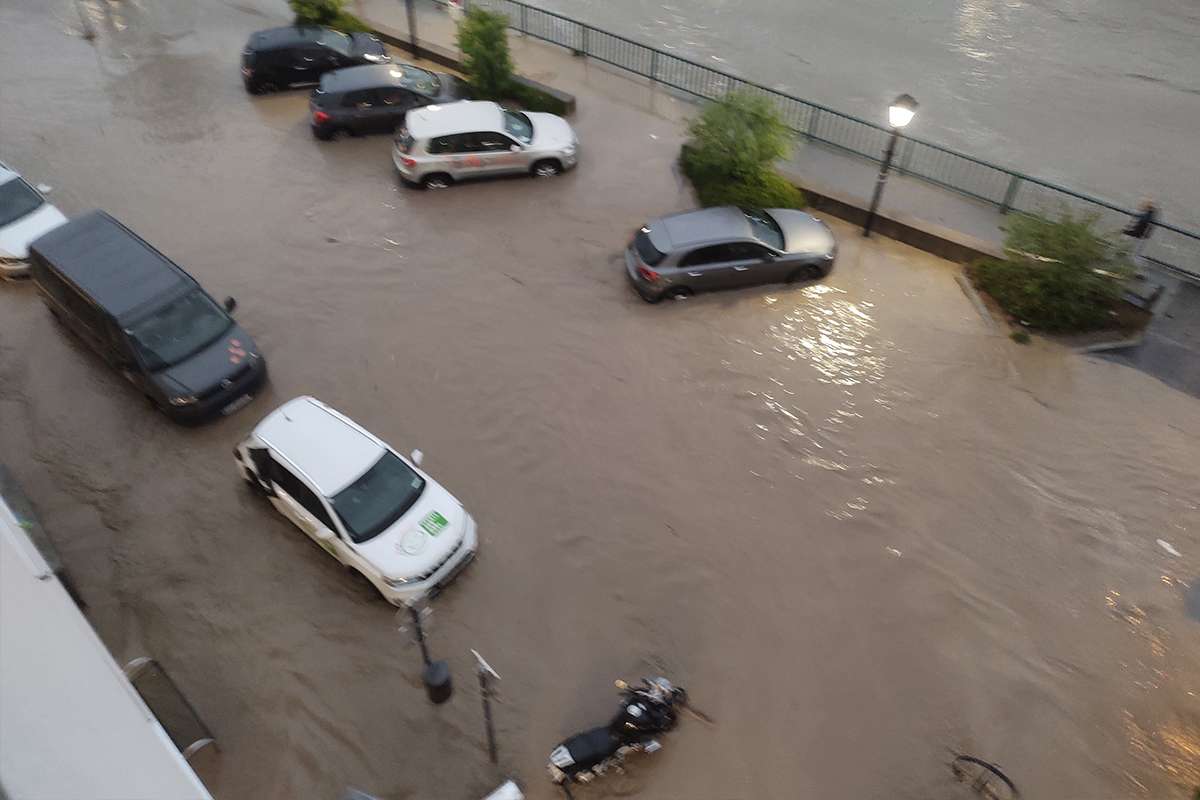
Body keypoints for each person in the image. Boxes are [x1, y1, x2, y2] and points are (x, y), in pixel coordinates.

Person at [1124, 198, 1158, 265]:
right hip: (1140, 234)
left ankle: (1130, 259)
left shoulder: (1144, 213)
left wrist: (1127, 230)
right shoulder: (1150, 215)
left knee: (1130, 247)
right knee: (1135, 250)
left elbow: (1135, 221)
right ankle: (1132, 260)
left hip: (1136, 233)